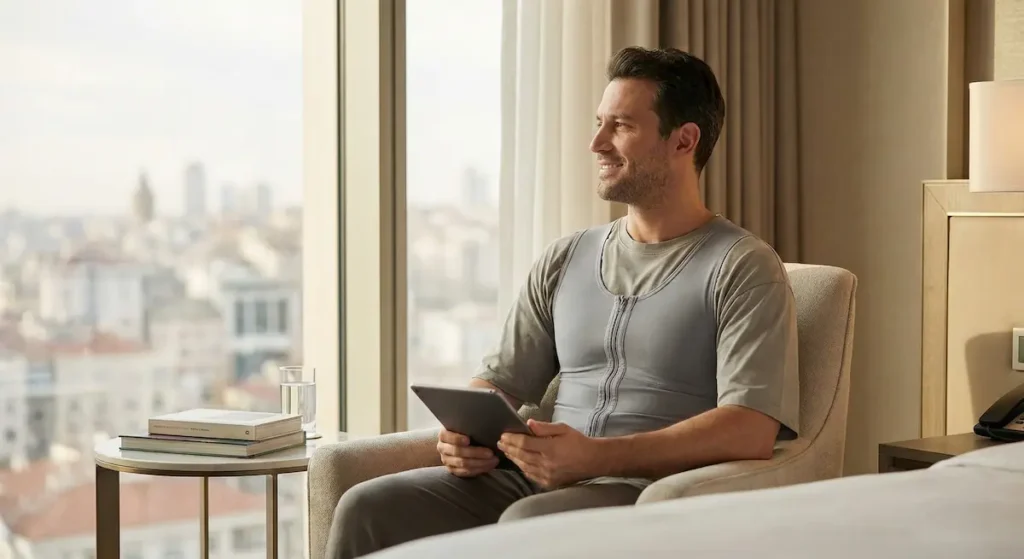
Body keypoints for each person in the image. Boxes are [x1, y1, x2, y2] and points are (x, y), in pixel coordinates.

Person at [325, 46, 799, 559]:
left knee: (530, 524)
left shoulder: (744, 266)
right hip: (530, 482)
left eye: (620, 126)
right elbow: (500, 382)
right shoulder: (566, 257)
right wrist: (461, 435)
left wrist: (595, 457)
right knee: (367, 506)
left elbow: (750, 428)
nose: (597, 142)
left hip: (644, 493)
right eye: (599, 122)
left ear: (684, 140)